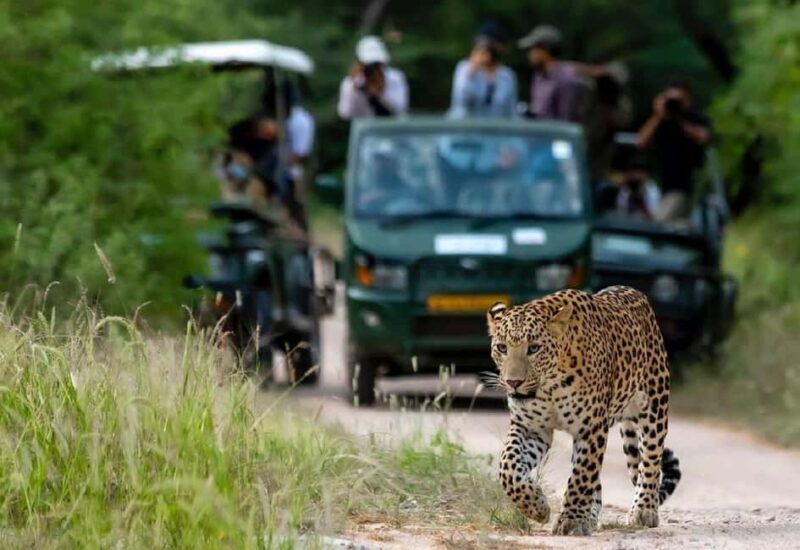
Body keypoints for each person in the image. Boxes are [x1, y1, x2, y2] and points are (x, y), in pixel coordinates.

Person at [637, 79, 711, 222]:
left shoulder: (694, 119)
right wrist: (657, 115)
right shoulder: (660, 120)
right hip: (659, 185)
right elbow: (640, 142)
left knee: (660, 223)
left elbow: (704, 137)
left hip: (682, 186)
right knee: (676, 227)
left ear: (687, 101)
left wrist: (680, 120)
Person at [449, 21, 518, 118]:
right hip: (464, 130)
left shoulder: (507, 76)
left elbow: (511, 112)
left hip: (496, 130)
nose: (483, 50)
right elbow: (461, 102)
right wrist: (471, 72)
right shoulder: (463, 68)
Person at [517, 25, 583, 122]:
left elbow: (566, 121)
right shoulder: (538, 76)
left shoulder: (565, 79)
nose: (530, 54)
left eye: (533, 49)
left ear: (544, 50)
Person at [337, 36, 409, 119]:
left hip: (393, 129)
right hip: (366, 130)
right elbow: (345, 113)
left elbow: (400, 109)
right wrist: (355, 90)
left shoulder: (395, 78)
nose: (374, 69)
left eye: (376, 65)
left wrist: (380, 94)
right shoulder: (350, 82)